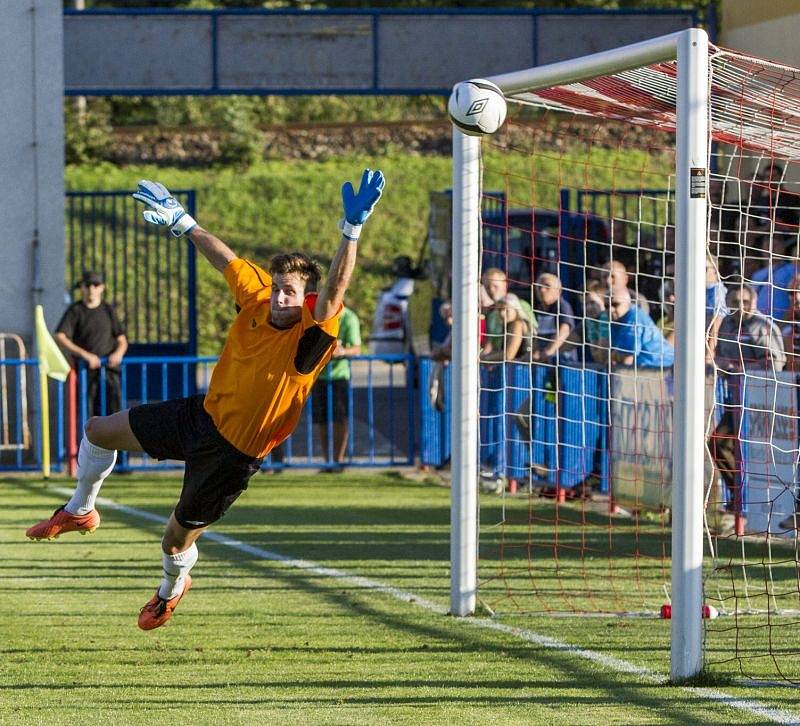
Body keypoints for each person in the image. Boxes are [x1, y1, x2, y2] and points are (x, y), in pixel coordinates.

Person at [26, 169, 385, 630]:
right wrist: (185, 221)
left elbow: (336, 287)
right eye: (276, 286)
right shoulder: (258, 300)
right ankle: (80, 510)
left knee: (174, 541)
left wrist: (350, 231)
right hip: (201, 416)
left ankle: (169, 591)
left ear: (306, 299)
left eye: (289, 292)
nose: (278, 296)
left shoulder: (309, 338)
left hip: (233, 457)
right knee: (98, 429)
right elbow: (226, 259)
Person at [710, 284, 785, 533]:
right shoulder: (727, 326)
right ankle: (737, 498)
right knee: (717, 442)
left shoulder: (762, 327)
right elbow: (719, 355)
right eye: (734, 301)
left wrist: (745, 368)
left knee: (757, 454)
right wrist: (722, 363)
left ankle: (763, 511)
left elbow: (777, 362)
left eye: (744, 301)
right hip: (735, 398)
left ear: (753, 302)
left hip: (761, 400)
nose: (740, 306)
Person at [55, 270, 128, 416]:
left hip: (110, 372)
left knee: (114, 414)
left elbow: (122, 339)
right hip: (85, 373)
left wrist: (118, 354)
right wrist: (86, 356)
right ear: (82, 288)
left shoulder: (108, 310)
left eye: (95, 285)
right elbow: (60, 336)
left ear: (102, 288)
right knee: (88, 415)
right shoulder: (75, 310)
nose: (91, 289)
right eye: (87, 285)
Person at [312, 303, 362, 473]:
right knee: (321, 420)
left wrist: (341, 352)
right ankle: (327, 461)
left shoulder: (349, 317)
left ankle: (338, 461)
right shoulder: (316, 313)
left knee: (340, 419)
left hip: (339, 377)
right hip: (318, 377)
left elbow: (356, 349)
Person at [608, 289, 674, 368]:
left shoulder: (634, 319)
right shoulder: (616, 320)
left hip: (660, 366)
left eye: (615, 304)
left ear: (628, 303)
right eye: (606, 306)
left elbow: (627, 358)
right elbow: (616, 353)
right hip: (648, 366)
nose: (610, 309)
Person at [480, 267, 536, 358]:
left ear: (505, 284)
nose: (491, 290)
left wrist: (487, 359)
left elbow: (533, 334)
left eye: (495, 286)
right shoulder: (490, 313)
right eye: (487, 287)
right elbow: (488, 345)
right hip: (498, 362)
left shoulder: (521, 305)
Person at [532, 273, 576, 363]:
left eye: (547, 286)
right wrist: (534, 351)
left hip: (563, 360)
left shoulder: (562, 306)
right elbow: (538, 335)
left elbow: (564, 331)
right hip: (545, 360)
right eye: (539, 287)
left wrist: (549, 351)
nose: (542, 290)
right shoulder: (539, 309)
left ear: (558, 291)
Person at [480, 293, 534, 362]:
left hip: (520, 369)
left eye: (506, 310)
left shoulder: (517, 324)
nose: (502, 313)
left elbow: (508, 355)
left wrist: (486, 359)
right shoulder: (506, 325)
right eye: (499, 310)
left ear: (516, 309)